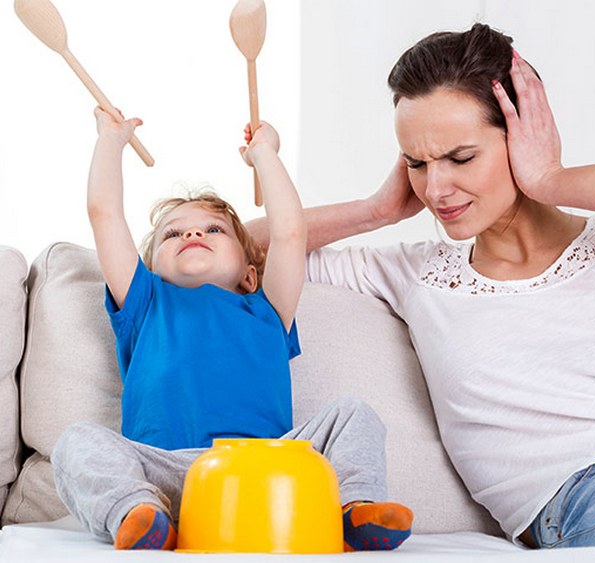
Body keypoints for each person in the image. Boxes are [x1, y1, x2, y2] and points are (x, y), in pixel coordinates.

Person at [246, 23, 595, 561]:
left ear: (521, 136)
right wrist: (377, 210)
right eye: (417, 163)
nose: (435, 189)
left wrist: (550, 177)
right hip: (588, 500)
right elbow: (240, 249)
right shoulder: (415, 273)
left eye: (460, 158)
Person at [50, 107, 413, 552]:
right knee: (76, 443)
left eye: (213, 229)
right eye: (172, 235)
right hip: (166, 473)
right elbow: (103, 213)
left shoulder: (267, 309)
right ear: (152, 268)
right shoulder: (146, 302)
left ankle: (354, 510)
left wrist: (266, 154)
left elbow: (290, 233)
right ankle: (139, 514)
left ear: (249, 274)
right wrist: (110, 140)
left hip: (261, 472)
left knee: (354, 413)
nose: (191, 235)